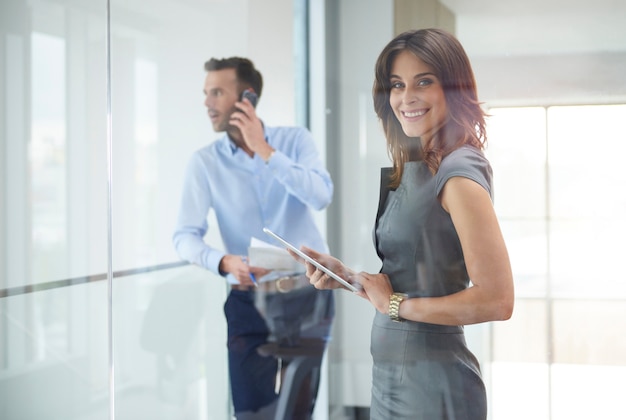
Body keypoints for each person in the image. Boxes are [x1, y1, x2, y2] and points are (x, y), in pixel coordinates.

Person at [294, 29, 514, 419]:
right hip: (393, 379)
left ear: (453, 87)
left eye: (423, 82)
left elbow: (496, 299)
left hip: (430, 388)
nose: (406, 97)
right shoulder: (420, 166)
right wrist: (350, 278)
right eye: (397, 85)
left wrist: (393, 304)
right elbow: (415, 278)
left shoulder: (459, 173)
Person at [172, 56, 335, 419]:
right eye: (205, 93)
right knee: (251, 413)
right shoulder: (204, 163)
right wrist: (223, 262)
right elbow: (184, 235)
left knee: (297, 410)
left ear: (248, 96)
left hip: (306, 297)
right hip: (249, 303)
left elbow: (321, 196)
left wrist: (265, 150)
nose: (207, 103)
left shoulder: (295, 141)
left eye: (217, 92)